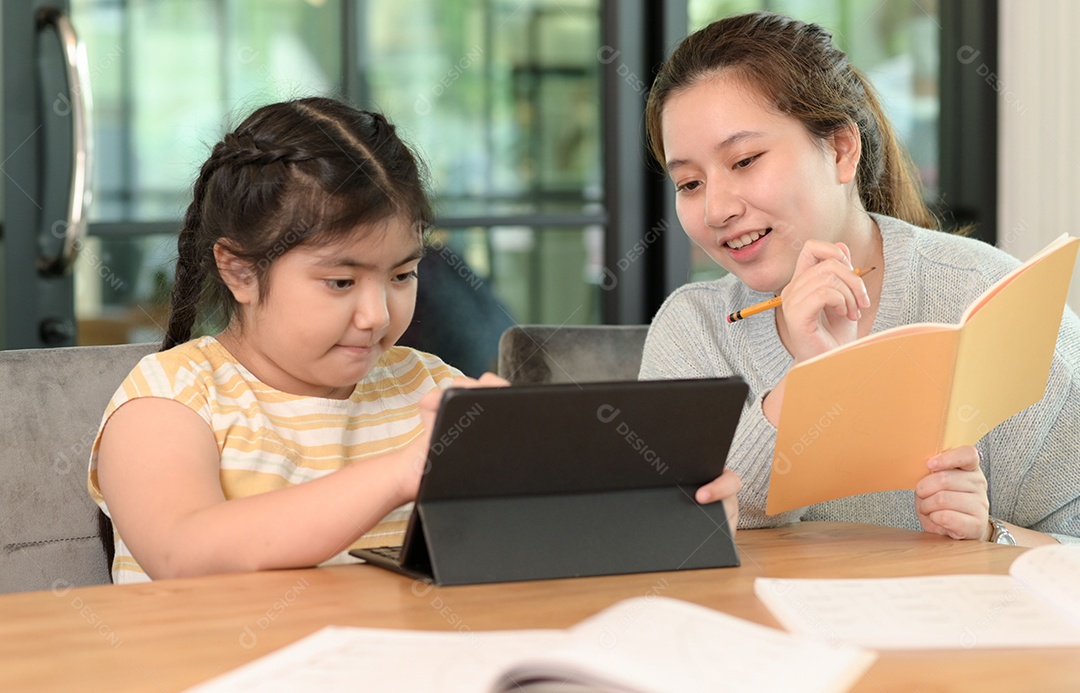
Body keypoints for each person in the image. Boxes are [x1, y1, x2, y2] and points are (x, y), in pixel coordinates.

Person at [640, 12, 1080, 546]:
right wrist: (808, 380)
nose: (715, 209)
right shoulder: (694, 330)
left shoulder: (984, 294)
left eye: (746, 160)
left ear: (843, 150)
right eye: (689, 183)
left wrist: (992, 536)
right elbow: (675, 537)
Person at [89, 97, 504, 584]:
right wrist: (402, 472)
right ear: (240, 271)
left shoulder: (429, 388)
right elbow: (182, 552)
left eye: (403, 274)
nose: (377, 316)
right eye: (341, 283)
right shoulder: (171, 400)